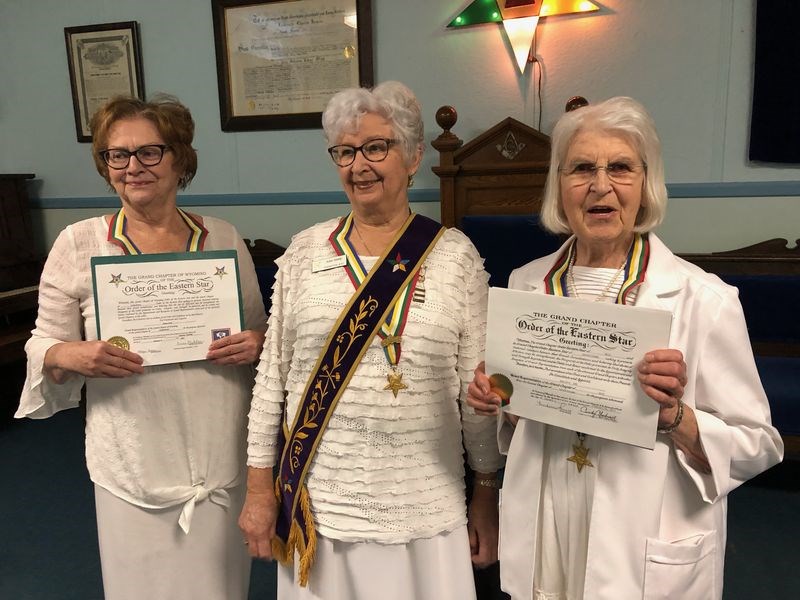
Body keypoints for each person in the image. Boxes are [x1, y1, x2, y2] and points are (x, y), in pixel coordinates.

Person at [467, 96, 783, 599]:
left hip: (641, 540)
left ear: (645, 183)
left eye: (620, 167)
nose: (600, 185)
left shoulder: (705, 300)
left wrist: (675, 417)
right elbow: (521, 417)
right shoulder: (525, 285)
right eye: (581, 168)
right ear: (560, 186)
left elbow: (759, 445)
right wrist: (500, 400)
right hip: (550, 527)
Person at [240, 81, 504, 599]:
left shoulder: (455, 257)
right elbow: (272, 380)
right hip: (322, 504)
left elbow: (476, 397)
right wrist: (257, 489)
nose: (359, 165)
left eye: (376, 147)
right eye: (344, 151)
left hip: (426, 503)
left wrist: (486, 493)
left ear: (412, 156)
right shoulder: (304, 252)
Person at [16, 95, 267, 600]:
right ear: (105, 165)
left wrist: (255, 343)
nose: (133, 167)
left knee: (220, 585)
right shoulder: (79, 242)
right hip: (131, 455)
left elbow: (260, 336)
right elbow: (43, 343)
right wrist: (72, 355)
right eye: (118, 154)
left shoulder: (222, 237)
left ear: (179, 159)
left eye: (150, 152)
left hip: (220, 446)